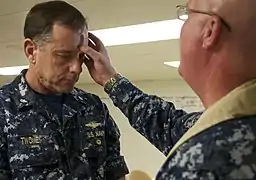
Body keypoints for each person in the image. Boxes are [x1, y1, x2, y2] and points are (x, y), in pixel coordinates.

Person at [81, 0, 256, 179]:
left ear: (210, 31)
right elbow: (167, 124)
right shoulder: (228, 130)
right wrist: (111, 80)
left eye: (188, 13)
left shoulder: (203, 163)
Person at [0, 1, 129, 179]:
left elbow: (115, 172)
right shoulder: (4, 110)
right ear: (31, 51)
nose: (76, 68)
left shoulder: (94, 108)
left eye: (81, 57)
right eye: (63, 56)